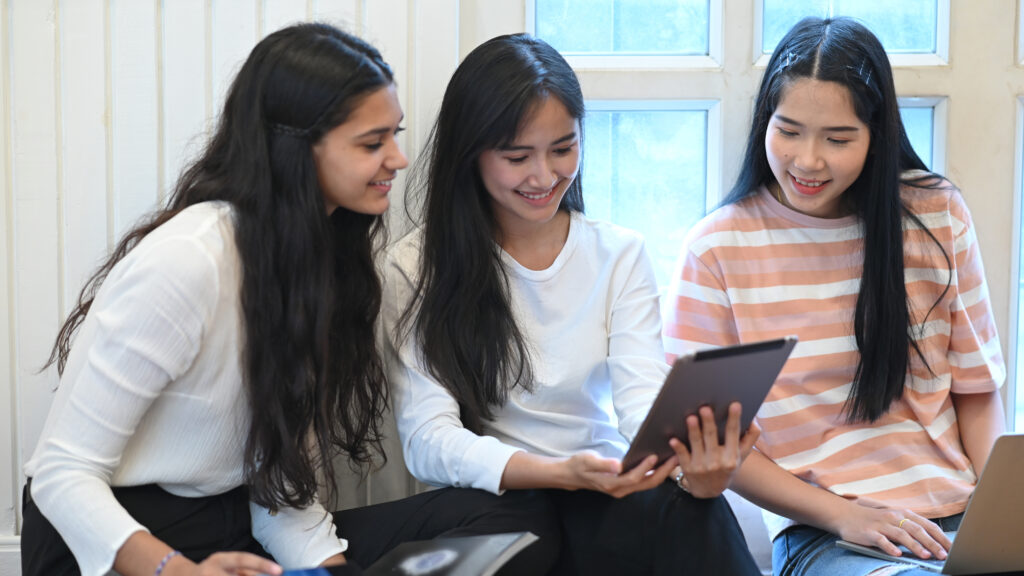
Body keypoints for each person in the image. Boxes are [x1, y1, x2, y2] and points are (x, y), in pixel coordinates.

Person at [22, 23, 556, 576]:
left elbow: (277, 489)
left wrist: (332, 570)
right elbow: (61, 474)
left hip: (231, 529)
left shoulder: (319, 266)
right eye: (373, 143)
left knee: (513, 518)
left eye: (393, 135)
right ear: (296, 150)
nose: (398, 158)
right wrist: (176, 571)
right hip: (113, 546)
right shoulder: (188, 261)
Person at [382, 33, 761, 576]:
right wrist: (559, 472)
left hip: (602, 487)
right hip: (497, 502)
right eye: (518, 156)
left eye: (563, 148)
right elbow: (428, 441)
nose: (544, 177)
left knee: (699, 513)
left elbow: (641, 404)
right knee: (527, 533)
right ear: (472, 154)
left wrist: (689, 467)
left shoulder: (618, 253)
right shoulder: (416, 266)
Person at [662, 16, 1006, 576]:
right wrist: (843, 515)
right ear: (763, 123)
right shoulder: (717, 249)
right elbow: (714, 440)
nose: (807, 160)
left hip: (960, 519)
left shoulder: (935, 213)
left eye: (838, 139)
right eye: (788, 130)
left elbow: (975, 392)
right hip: (829, 537)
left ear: (877, 135)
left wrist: (1001, 517)